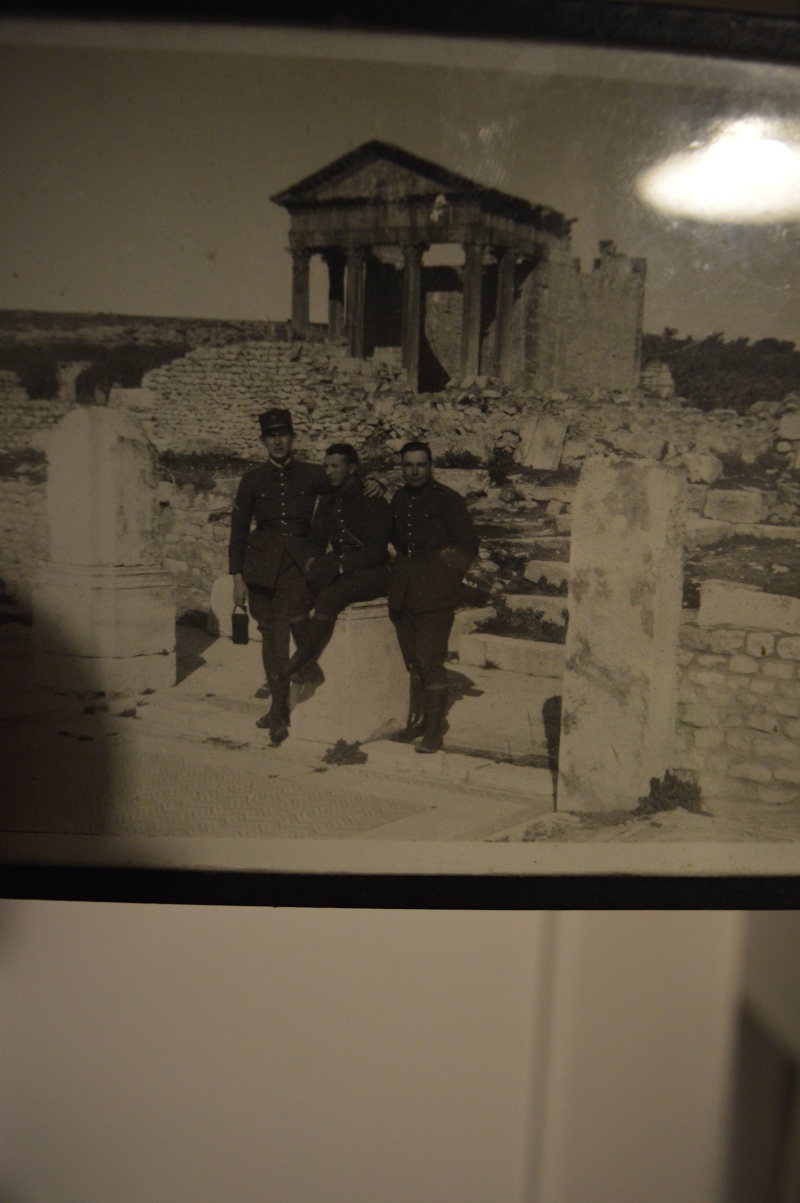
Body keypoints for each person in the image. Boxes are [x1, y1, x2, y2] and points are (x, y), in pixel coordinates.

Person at [228, 409, 380, 746]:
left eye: (283, 434)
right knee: (269, 635)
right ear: (263, 440)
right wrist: (237, 576)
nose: (278, 441)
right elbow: (238, 529)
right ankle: (282, 700)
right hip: (258, 569)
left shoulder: (314, 473)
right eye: (271, 435)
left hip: (295, 565)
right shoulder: (251, 479)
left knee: (281, 633)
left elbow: (347, 480)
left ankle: (280, 714)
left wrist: (374, 482)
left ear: (293, 437)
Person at [388, 440, 479, 754]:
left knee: (431, 661)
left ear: (431, 466)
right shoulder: (398, 498)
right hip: (404, 589)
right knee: (413, 661)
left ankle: (435, 730)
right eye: (408, 465)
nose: (414, 471)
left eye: (420, 465)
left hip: (435, 592)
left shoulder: (448, 500)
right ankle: (420, 722)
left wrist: (445, 578)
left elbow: (467, 545)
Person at [283, 443, 390, 683]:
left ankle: (299, 661)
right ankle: (309, 665)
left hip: (372, 571)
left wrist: (340, 566)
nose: (328, 472)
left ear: (352, 468)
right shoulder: (328, 497)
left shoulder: (372, 499)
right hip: (340, 566)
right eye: (325, 466)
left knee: (330, 596)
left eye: (334, 466)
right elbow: (317, 537)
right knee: (297, 596)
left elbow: (377, 549)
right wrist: (312, 559)